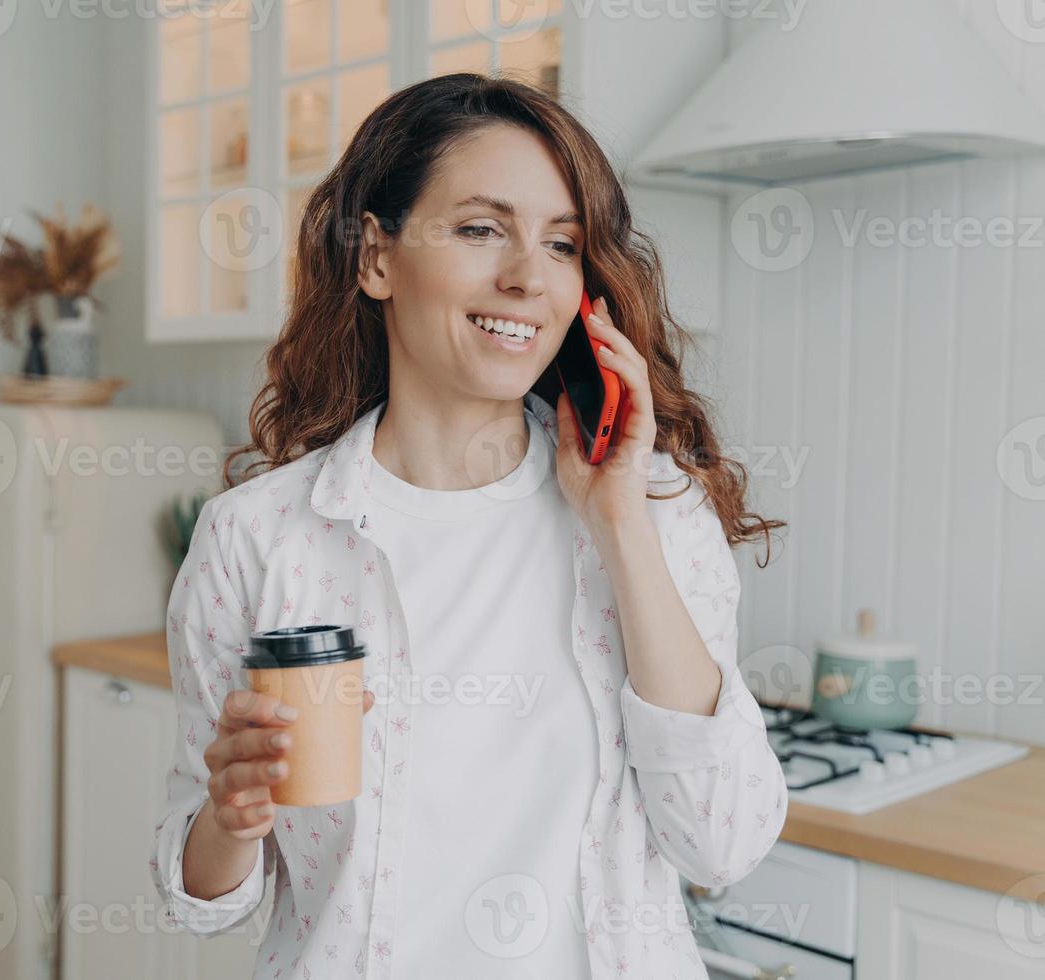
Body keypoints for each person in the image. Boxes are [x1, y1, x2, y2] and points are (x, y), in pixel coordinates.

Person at [149, 72, 789, 979]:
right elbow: (203, 899)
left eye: (562, 244)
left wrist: (620, 526)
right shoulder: (258, 535)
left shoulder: (651, 511)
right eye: (481, 229)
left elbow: (723, 846)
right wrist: (229, 811)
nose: (528, 276)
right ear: (376, 257)